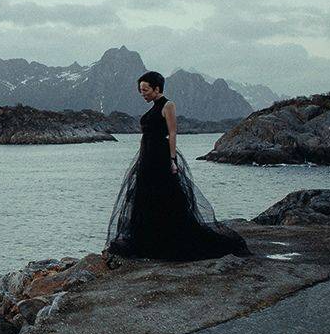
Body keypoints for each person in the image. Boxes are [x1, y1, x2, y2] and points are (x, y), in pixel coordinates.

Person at [104, 70, 250, 261]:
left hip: (159, 155)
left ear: (157, 88)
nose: (142, 93)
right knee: (146, 197)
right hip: (147, 156)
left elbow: (172, 133)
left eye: (145, 90)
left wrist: (172, 160)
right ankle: (150, 240)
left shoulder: (168, 105)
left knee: (164, 196)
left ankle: (166, 240)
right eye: (141, 90)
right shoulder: (153, 107)